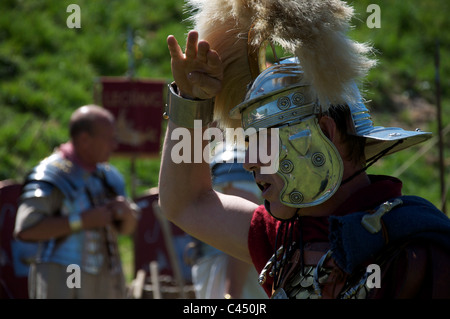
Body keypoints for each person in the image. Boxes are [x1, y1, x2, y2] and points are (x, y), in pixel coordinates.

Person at [159, 0, 450, 299]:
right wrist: (191, 102)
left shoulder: (415, 250)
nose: (248, 162)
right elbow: (186, 202)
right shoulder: (286, 238)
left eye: (263, 142)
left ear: (324, 132)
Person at [14, 104, 139, 299]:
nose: (114, 145)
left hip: (106, 275)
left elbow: (126, 230)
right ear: (84, 140)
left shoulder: (108, 176)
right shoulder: (51, 174)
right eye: (109, 139)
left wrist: (126, 213)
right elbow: (26, 228)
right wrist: (82, 221)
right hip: (63, 273)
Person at [187, 142, 267, 299]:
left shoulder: (233, 155)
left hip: (233, 270)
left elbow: (246, 226)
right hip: (220, 266)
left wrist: (232, 291)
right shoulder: (222, 153)